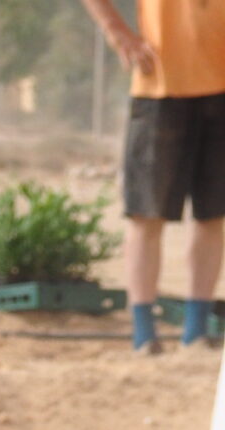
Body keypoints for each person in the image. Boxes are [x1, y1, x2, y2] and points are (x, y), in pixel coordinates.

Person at [82, 0, 225, 352]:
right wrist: (120, 35)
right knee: (147, 214)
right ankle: (145, 333)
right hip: (159, 84)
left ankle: (197, 330)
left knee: (213, 216)